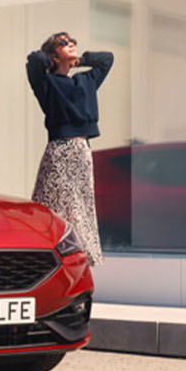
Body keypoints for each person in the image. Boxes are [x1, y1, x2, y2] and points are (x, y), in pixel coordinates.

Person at [25, 32, 113, 264]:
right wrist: (52, 59)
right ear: (53, 53)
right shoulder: (46, 83)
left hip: (82, 152)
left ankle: (78, 261)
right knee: (51, 206)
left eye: (72, 41)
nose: (71, 44)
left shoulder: (85, 80)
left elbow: (107, 59)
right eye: (64, 43)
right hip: (59, 151)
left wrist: (77, 60)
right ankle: (41, 256)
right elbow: (34, 61)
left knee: (81, 209)